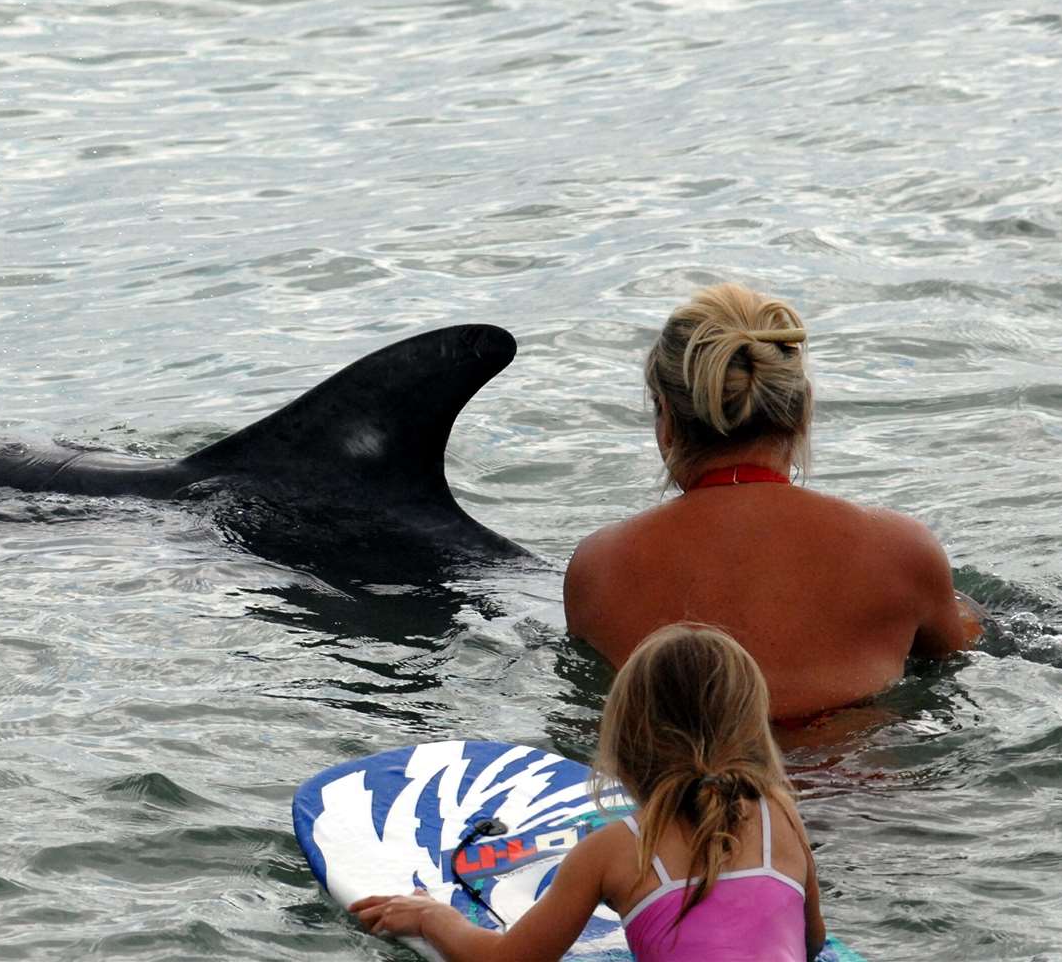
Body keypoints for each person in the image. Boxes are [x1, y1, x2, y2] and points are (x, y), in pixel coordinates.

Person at [563, 282, 984, 720]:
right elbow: (954, 663)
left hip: (675, 786)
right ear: (800, 415)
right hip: (855, 783)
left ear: (666, 418)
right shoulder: (903, 549)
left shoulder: (599, 566)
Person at [350, 624, 827, 962]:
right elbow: (812, 944)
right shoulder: (780, 818)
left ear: (625, 740)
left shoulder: (613, 850)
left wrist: (433, 918)